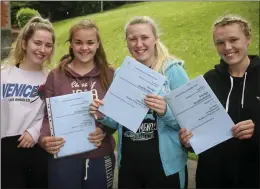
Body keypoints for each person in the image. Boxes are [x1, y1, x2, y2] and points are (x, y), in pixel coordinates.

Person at [90, 16, 189, 188]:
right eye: (132, 39)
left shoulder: (173, 71)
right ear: (127, 42)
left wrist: (165, 111)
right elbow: (117, 119)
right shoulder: (122, 72)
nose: (138, 44)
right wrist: (102, 113)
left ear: (155, 38)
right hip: (130, 165)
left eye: (144, 38)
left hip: (165, 167)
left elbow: (189, 120)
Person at [179, 15, 259, 188]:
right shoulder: (208, 81)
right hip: (212, 177)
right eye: (220, 42)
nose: (227, 47)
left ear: (248, 39)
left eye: (233, 40)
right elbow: (196, 132)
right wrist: (189, 140)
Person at [38, 19, 116, 189]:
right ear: (71, 44)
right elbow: (46, 116)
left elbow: (117, 117)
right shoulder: (56, 75)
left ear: (97, 44)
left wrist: (103, 131)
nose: (84, 48)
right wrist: (44, 139)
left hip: (100, 156)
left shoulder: (109, 74)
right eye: (78, 42)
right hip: (64, 157)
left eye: (90, 42)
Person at [1, 16, 55, 188]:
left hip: (37, 150)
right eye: (37, 43)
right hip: (5, 152)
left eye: (48, 45)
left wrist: (35, 131)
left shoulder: (51, 79)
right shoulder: (4, 75)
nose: (42, 49)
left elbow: (53, 114)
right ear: (24, 43)